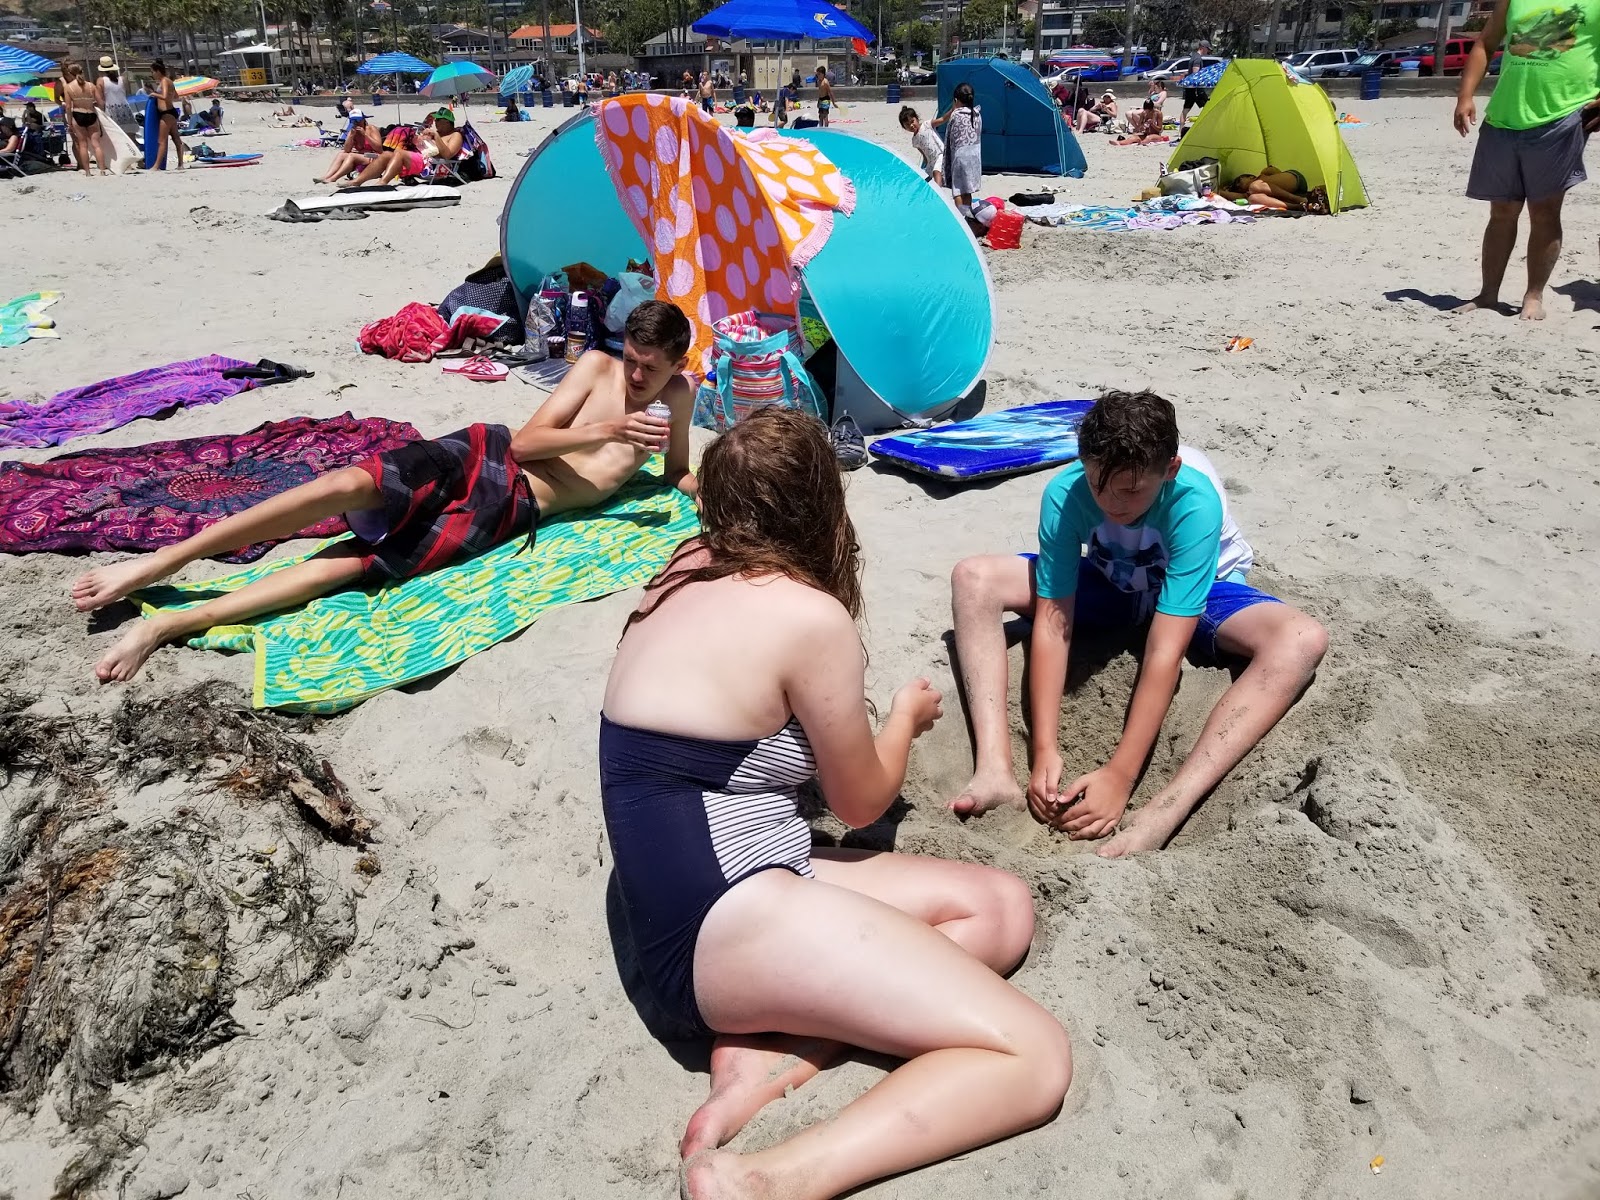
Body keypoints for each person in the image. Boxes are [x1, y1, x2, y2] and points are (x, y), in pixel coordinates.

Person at [600, 406, 1072, 1199]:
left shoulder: (686, 565)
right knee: (1034, 1055)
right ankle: (765, 1181)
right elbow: (859, 803)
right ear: (822, 503)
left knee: (999, 909)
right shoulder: (807, 616)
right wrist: (904, 721)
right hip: (717, 923)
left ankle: (768, 1057)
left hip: (693, 890)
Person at [71, 301, 700, 683]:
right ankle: (162, 562)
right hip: (484, 456)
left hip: (515, 508)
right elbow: (527, 443)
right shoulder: (595, 368)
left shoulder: (678, 399)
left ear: (678, 366)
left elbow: (675, 472)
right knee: (348, 484)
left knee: (352, 565)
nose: (637, 375)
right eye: (632, 359)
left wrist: (702, 491)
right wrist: (607, 428)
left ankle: (172, 623)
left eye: (651, 367)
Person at [947, 390, 1328, 856]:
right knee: (973, 578)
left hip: (1200, 590)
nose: (1111, 503)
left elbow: (1165, 651)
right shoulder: (1067, 492)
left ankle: (1167, 809)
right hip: (1115, 581)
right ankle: (994, 769)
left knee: (1302, 639)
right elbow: (1052, 620)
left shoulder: (1194, 501)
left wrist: (1121, 775)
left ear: (1169, 471)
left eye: (1130, 491)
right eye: (1097, 485)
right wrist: (1043, 748)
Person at [1452, 0, 1600, 320]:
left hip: (1562, 115)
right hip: (1504, 116)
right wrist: (1465, 95)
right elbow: (1485, 42)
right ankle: (1488, 294)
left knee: (1544, 211)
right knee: (1502, 211)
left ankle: (1533, 296)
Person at [933, 81, 982, 214]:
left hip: (960, 157)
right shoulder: (977, 114)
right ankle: (968, 214)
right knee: (968, 189)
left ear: (956, 100)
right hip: (975, 156)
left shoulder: (956, 114)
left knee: (958, 190)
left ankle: (962, 216)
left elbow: (950, 137)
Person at [61, 63, 109, 177]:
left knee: (83, 145)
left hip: (78, 115)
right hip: (91, 114)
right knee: (96, 144)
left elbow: (68, 107)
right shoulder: (91, 85)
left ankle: (87, 172)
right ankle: (102, 170)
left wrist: (69, 122)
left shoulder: (68, 87)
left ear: (70, 73)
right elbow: (101, 103)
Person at [1218, 166, 1326, 212]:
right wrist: (1216, 191)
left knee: (1255, 186)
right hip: (1287, 195)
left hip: (1294, 181)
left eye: (1239, 181)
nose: (1238, 186)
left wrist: (1268, 177)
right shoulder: (1249, 193)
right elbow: (1236, 196)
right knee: (1253, 199)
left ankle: (1298, 199)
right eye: (1236, 188)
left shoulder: (1261, 177)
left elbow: (1273, 170)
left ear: (1250, 176)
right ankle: (1298, 206)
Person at [316, 109, 381, 184]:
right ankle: (326, 176)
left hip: (374, 156)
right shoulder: (353, 131)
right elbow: (346, 150)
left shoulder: (371, 129)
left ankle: (334, 178)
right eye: (353, 120)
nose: (356, 122)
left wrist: (365, 135)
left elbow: (379, 149)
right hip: (362, 155)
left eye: (358, 120)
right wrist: (351, 136)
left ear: (363, 119)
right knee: (341, 154)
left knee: (351, 156)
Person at [148, 59, 184, 170]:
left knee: (161, 141)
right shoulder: (169, 81)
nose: (152, 74)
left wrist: (154, 94)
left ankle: (156, 166)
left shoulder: (164, 81)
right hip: (171, 112)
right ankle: (180, 165)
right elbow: (176, 96)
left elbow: (164, 96)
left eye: (153, 72)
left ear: (158, 71)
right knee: (176, 139)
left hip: (166, 113)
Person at [899, 104, 944, 185]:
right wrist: (926, 165)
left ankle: (938, 191)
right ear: (904, 128)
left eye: (912, 121)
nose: (911, 125)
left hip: (941, 154)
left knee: (936, 172)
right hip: (931, 162)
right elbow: (924, 155)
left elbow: (942, 119)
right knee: (924, 180)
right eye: (907, 125)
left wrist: (953, 110)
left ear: (917, 118)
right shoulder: (914, 141)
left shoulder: (927, 125)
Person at [96, 56, 135, 136]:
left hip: (111, 112)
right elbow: (126, 94)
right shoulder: (122, 79)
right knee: (129, 138)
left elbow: (100, 101)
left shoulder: (100, 80)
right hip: (126, 111)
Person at [1178, 42, 1211, 135]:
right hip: (1196, 88)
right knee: (1209, 107)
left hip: (1190, 88)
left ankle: (1181, 131)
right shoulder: (1197, 58)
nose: (1208, 51)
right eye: (1207, 49)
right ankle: (1206, 128)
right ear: (1202, 47)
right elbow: (1195, 73)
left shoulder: (1193, 57)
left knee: (1185, 110)